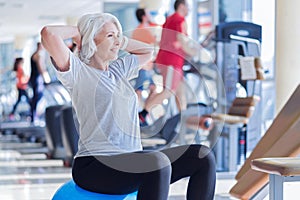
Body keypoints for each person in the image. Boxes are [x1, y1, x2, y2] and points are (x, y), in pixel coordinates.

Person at [40, 12, 216, 200]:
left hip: (131, 161)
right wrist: (79, 33)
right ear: (90, 39)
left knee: (202, 156)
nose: (117, 41)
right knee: (158, 162)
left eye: (118, 36)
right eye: (110, 36)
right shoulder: (78, 71)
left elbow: (148, 51)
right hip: (95, 165)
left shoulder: (118, 70)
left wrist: (118, 40)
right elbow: (49, 34)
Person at [139, 0, 196, 126]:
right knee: (169, 90)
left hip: (170, 59)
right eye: (188, 7)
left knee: (180, 93)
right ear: (181, 6)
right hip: (172, 61)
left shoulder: (169, 19)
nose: (189, 10)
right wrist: (194, 53)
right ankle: (143, 115)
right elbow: (182, 40)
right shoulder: (179, 20)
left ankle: (182, 123)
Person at [131, 8, 157, 117]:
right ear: (143, 16)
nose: (150, 15)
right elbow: (157, 42)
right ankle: (137, 114)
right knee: (139, 91)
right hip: (144, 66)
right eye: (148, 13)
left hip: (145, 66)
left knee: (151, 89)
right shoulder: (143, 30)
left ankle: (143, 113)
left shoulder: (139, 29)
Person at [29, 42, 49, 122]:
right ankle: (34, 116)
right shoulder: (38, 55)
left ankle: (33, 115)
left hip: (34, 78)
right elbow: (41, 68)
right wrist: (46, 79)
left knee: (36, 97)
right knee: (38, 96)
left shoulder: (34, 54)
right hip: (37, 78)